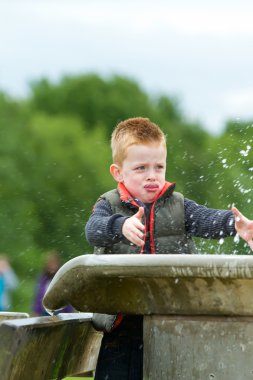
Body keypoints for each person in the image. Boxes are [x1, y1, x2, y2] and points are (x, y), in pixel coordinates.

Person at [85, 117, 253, 380]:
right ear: (118, 172)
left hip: (170, 319)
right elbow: (92, 230)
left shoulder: (178, 205)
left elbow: (206, 220)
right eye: (141, 168)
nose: (152, 175)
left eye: (159, 167)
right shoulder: (109, 204)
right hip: (120, 324)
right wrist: (119, 226)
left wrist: (235, 225)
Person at [32, 250, 74, 316]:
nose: (52, 267)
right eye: (50, 264)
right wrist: (36, 311)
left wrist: (68, 313)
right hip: (44, 312)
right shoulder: (43, 278)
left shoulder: (63, 278)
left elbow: (68, 297)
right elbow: (38, 296)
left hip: (60, 312)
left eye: (54, 264)